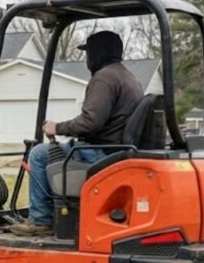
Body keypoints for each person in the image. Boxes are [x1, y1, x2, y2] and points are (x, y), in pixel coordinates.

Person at [11, 30, 144, 236]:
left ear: (98, 53)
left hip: (99, 153)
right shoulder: (129, 77)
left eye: (88, 53)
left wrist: (57, 128)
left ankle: (41, 220)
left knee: (38, 154)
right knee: (52, 153)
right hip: (117, 150)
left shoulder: (104, 78)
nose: (87, 60)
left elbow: (90, 123)